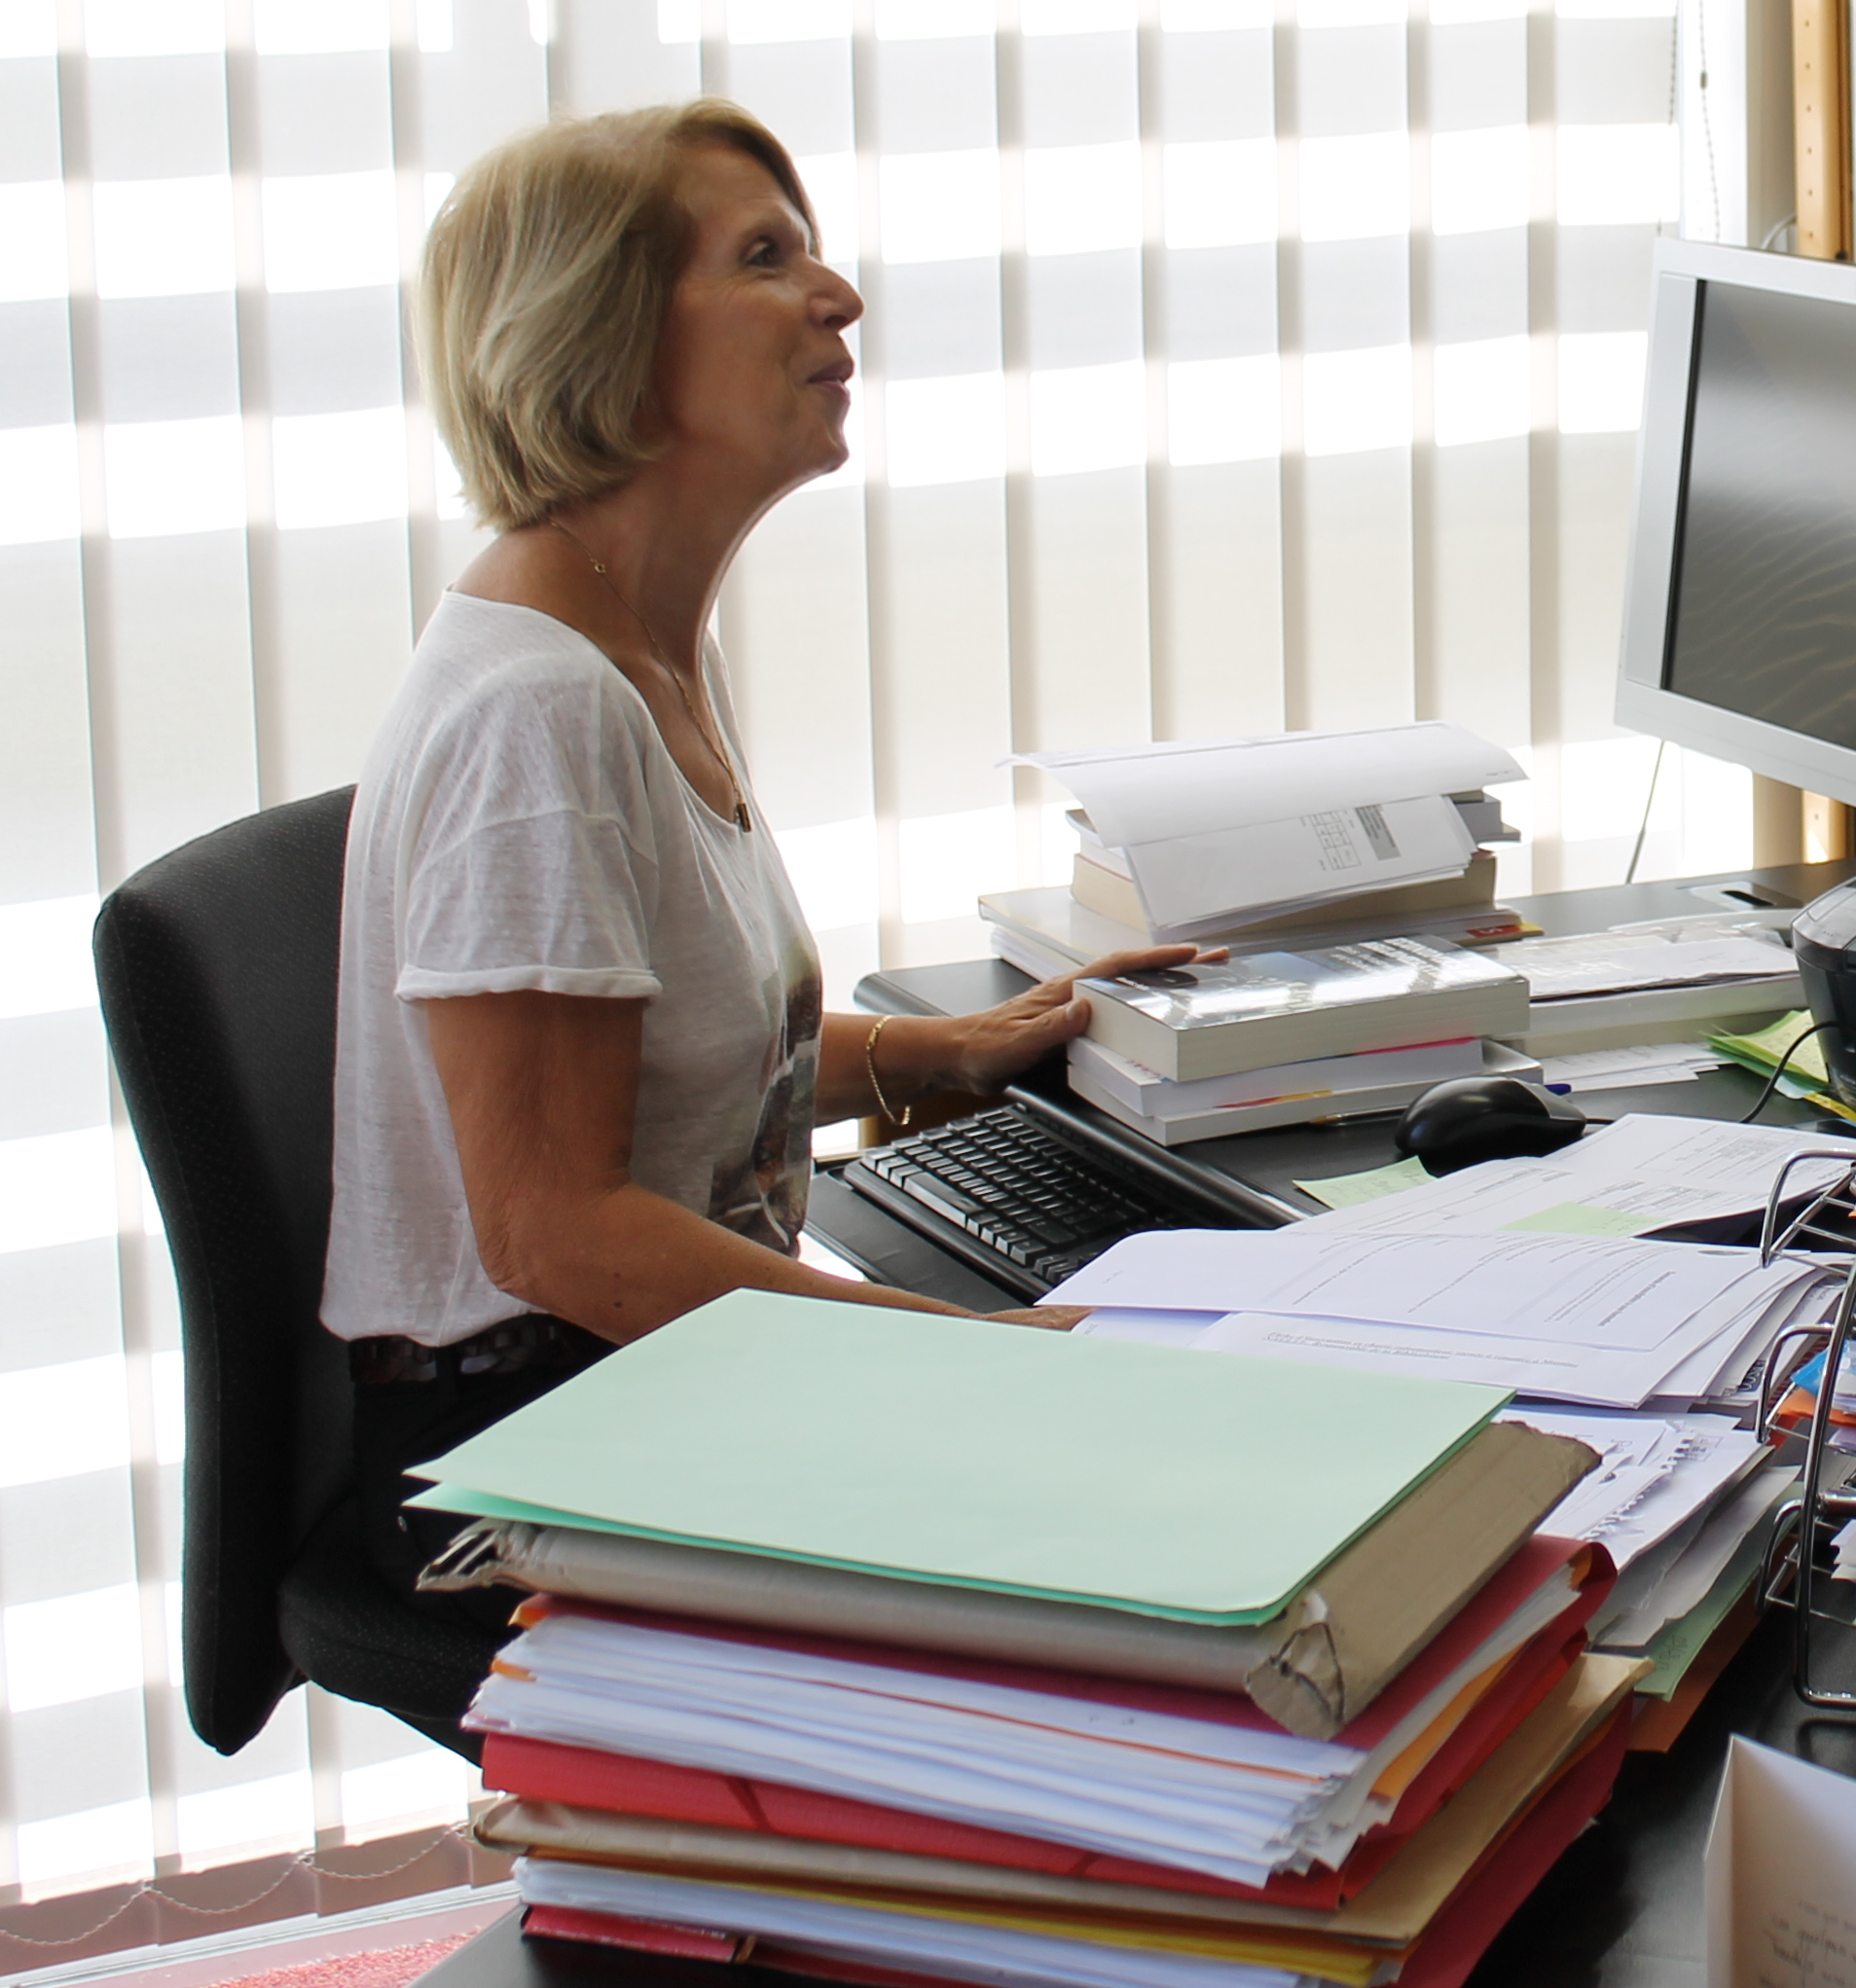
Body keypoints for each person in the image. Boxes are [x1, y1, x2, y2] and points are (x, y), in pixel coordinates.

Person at [321, 99, 1203, 1718]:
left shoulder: (635, 645)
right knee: (1174, 1549)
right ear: (600, 339)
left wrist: (931, 1054)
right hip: (528, 1443)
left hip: (645, 1381)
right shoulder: (539, 715)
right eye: (764, 256)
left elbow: (653, 1052)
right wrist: (956, 1353)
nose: (839, 297)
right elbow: (552, 1228)